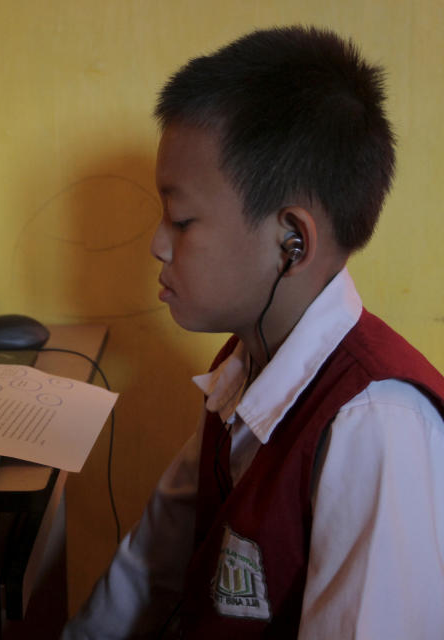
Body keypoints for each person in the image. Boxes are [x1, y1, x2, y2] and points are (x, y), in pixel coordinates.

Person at [63, 25, 444, 639]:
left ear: (291, 241)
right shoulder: (243, 367)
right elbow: (153, 560)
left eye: (181, 220)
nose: (158, 245)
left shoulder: (374, 426)